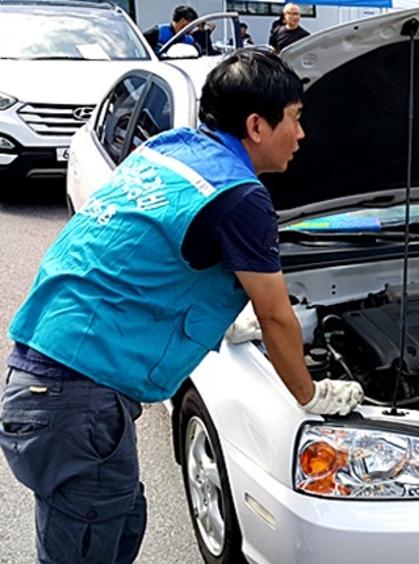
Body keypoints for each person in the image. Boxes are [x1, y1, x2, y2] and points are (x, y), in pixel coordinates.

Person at [0, 49, 363, 563]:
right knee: (89, 545)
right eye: (297, 119)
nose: (302, 135)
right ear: (258, 126)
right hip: (75, 399)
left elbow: (159, 247)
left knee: (120, 523)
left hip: (54, 383)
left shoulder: (172, 147)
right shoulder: (240, 196)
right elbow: (277, 315)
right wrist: (310, 393)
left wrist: (220, 310)